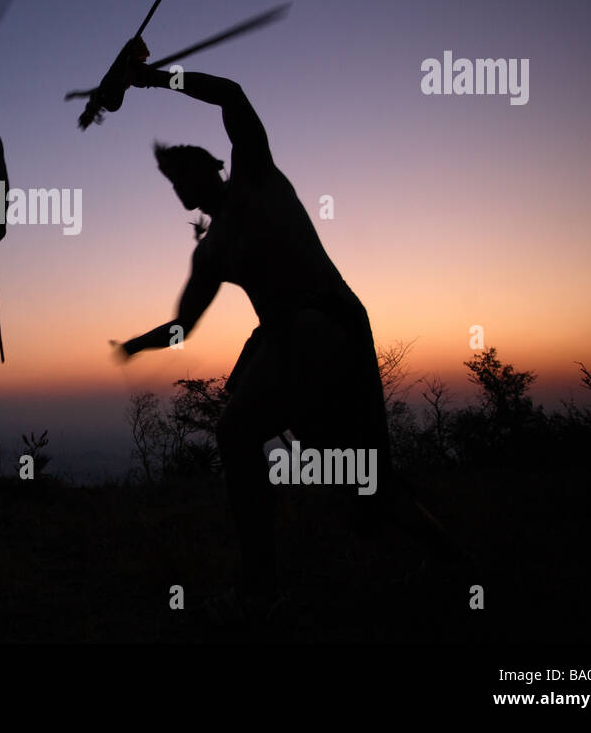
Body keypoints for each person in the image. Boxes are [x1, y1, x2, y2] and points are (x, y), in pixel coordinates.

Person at [108, 41, 456, 611]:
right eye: (174, 182)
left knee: (264, 441)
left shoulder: (256, 174)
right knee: (355, 479)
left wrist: (150, 80)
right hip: (298, 343)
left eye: (188, 169)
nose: (182, 183)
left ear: (214, 165)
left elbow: (230, 94)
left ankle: (260, 588)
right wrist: (133, 346)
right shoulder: (212, 252)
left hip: (329, 324)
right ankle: (449, 567)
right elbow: (182, 329)